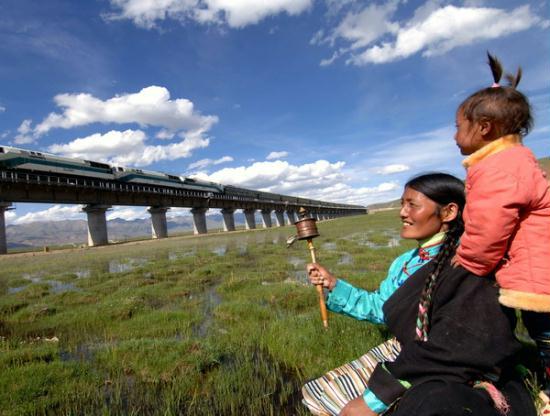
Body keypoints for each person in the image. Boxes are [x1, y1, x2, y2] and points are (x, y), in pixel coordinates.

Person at [302, 173, 535, 416]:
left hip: (452, 364)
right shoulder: (405, 263)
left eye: (412, 204)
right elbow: (381, 307)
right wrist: (334, 284)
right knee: (319, 393)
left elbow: (464, 338)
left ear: (448, 212)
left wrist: (375, 398)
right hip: (411, 352)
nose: (402, 212)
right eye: (402, 204)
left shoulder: (470, 261)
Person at [452, 53, 550, 403]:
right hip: (537, 271)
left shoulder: (496, 168)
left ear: (484, 129)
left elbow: (487, 227)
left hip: (540, 276)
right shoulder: (515, 160)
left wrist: (468, 262)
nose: (453, 136)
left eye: (457, 126)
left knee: (547, 335)